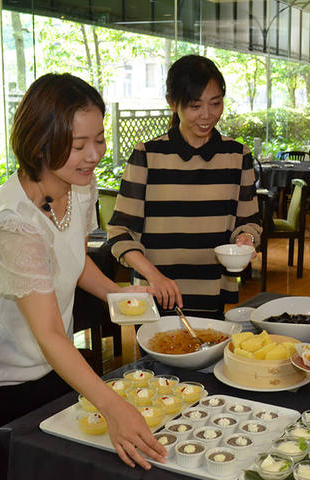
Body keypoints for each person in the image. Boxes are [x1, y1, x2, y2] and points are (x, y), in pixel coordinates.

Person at [0, 73, 167, 480]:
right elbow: (50, 334)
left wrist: (117, 293)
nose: (94, 154)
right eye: (79, 145)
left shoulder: (78, 185)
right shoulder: (12, 225)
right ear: (40, 143)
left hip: (52, 367)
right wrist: (112, 405)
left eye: (99, 139)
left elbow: (72, 258)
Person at [107, 55, 261, 317]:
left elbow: (249, 223)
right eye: (194, 106)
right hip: (155, 295)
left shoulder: (237, 156)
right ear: (172, 103)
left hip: (211, 292)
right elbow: (120, 232)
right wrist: (154, 277)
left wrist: (246, 239)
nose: (207, 115)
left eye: (216, 103)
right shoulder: (148, 155)